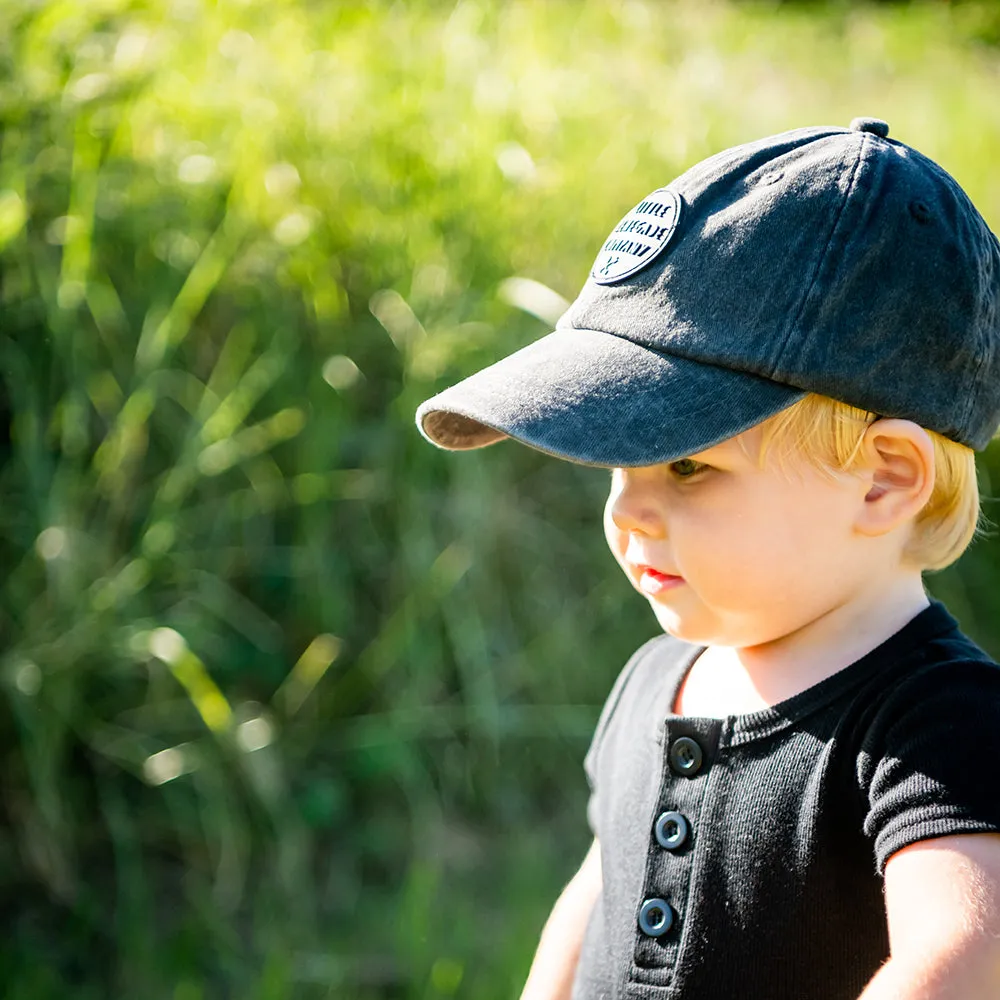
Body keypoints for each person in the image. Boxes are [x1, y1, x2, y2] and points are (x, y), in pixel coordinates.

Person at [414, 117, 1000, 999]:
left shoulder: (938, 723)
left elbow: (964, 954)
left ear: (883, 480)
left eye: (688, 463)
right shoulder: (655, 681)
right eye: (620, 460)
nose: (629, 508)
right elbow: (594, 898)